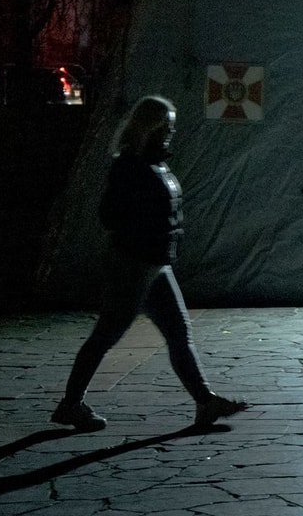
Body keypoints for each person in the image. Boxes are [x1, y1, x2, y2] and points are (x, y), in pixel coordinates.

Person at [52, 95, 248, 432]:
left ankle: (205, 402)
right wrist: (140, 228)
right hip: (134, 263)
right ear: (150, 126)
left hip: (154, 264)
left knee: (178, 332)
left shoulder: (155, 162)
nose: (171, 132)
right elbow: (109, 215)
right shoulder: (130, 165)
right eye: (167, 125)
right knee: (107, 335)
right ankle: (71, 404)